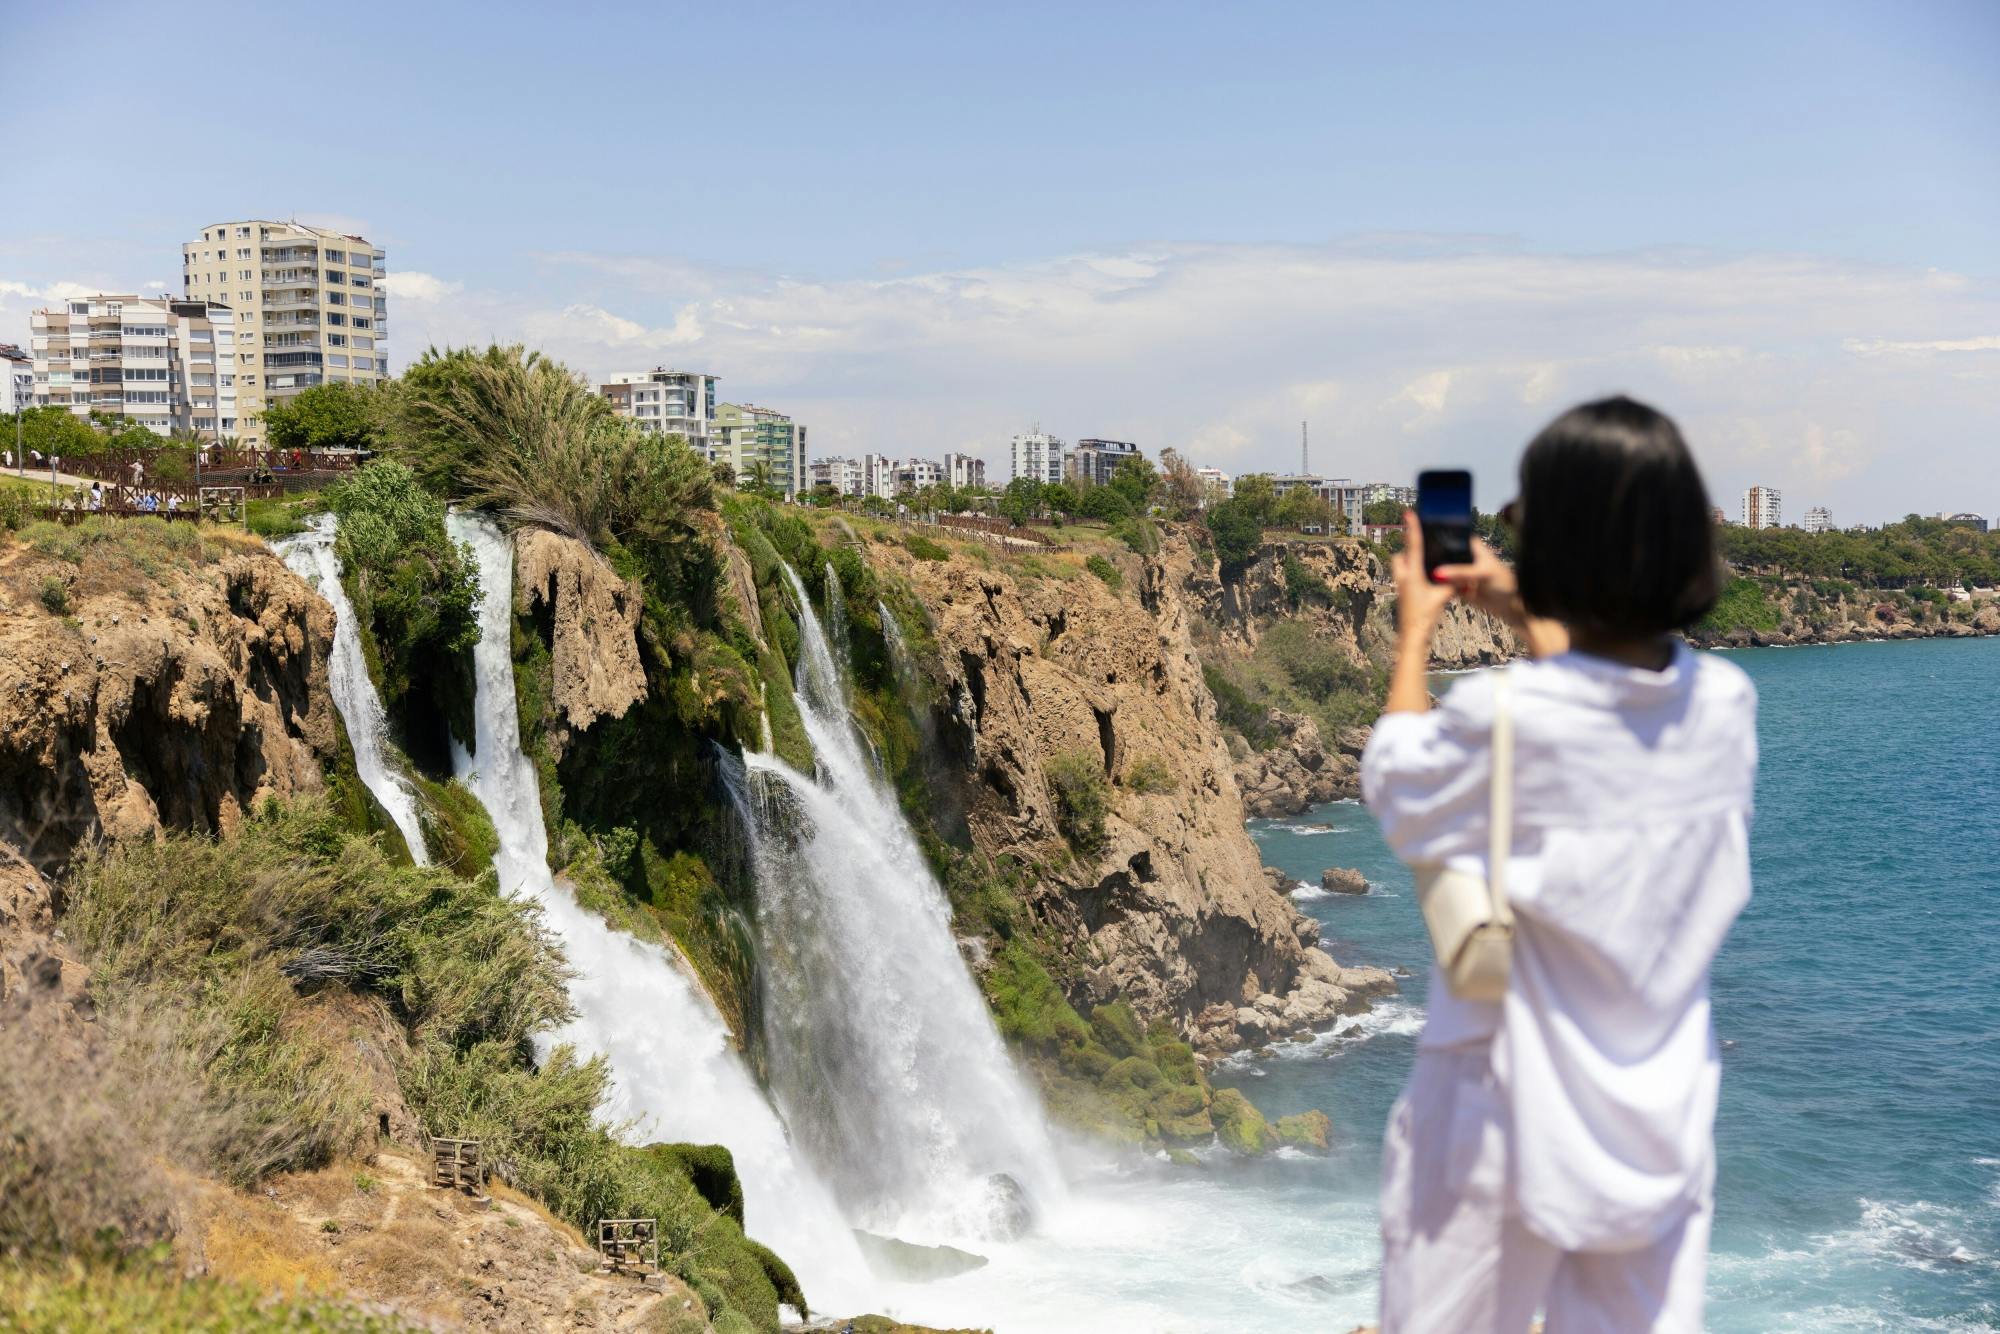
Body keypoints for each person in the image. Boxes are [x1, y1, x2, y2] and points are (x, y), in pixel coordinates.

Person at [1364, 396, 1754, 1332]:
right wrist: (1524, 608)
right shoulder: (1726, 707)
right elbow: (1602, 697)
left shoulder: (1504, 714)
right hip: (1657, 1117)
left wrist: (1417, 632)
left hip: (1497, 1115)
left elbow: (1397, 788)